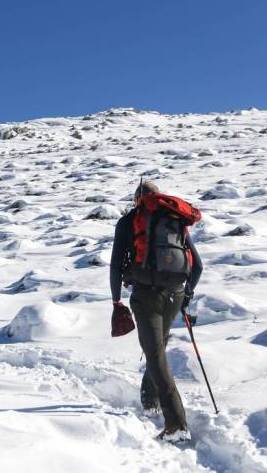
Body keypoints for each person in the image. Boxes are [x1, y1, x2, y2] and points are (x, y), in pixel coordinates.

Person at [109, 180, 203, 443]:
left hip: (146, 296)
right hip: (176, 293)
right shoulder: (175, 218)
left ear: (138, 198)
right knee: (157, 346)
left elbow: (116, 265)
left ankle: (176, 424)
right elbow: (198, 266)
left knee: (155, 354)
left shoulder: (130, 221)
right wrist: (187, 296)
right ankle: (150, 401)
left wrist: (116, 301)